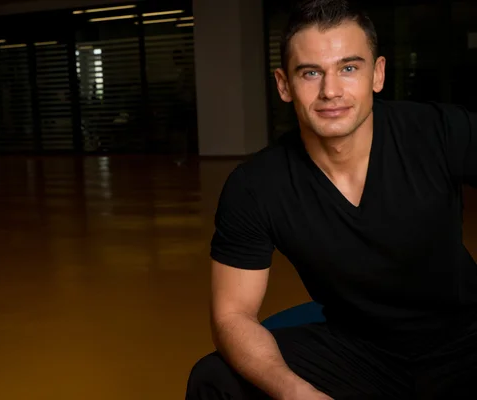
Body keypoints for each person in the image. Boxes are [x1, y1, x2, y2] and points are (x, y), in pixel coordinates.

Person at [185, 0, 477, 399]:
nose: (331, 91)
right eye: (310, 73)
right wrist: (293, 392)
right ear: (284, 85)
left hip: (466, 338)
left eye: (349, 68)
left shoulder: (440, 131)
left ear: (378, 74)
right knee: (216, 378)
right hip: (359, 351)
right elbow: (232, 315)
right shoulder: (256, 186)